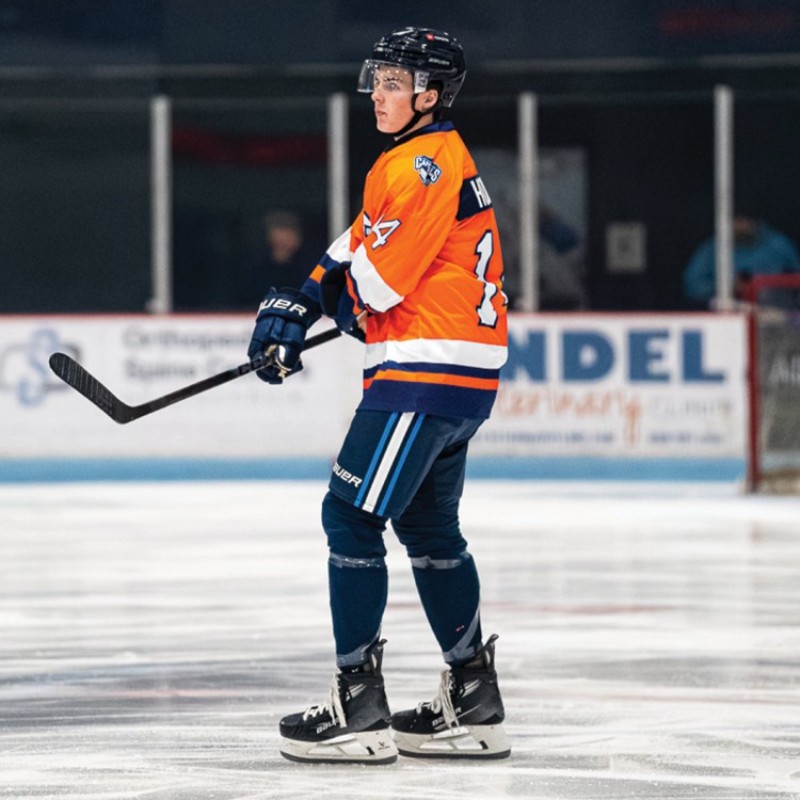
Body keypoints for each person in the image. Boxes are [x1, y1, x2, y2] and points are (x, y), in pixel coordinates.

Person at [246, 27, 510, 764]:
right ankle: (474, 700)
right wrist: (301, 301)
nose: (378, 95)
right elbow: (355, 244)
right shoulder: (419, 159)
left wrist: (318, 309)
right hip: (459, 373)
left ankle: (358, 707)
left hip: (423, 368)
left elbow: (377, 284)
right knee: (429, 529)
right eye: (379, 80)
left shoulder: (421, 164)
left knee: (350, 516)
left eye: (396, 83)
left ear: (431, 94)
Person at [683, 215, 800, 308]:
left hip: (774, 311)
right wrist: (727, 287)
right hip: (730, 311)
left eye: (744, 220)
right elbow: (693, 285)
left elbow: (796, 278)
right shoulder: (711, 249)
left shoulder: (778, 246)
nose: (741, 226)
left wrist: (769, 285)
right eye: (737, 220)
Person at [233, 210, 317, 308]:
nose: (285, 238)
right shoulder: (253, 270)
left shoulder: (310, 268)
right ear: (269, 236)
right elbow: (240, 303)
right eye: (281, 230)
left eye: (291, 231)